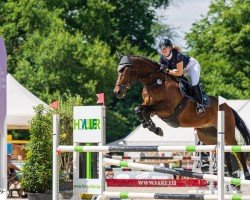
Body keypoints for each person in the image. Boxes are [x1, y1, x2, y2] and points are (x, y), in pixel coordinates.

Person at [158, 38, 205, 115]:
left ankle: (200, 105)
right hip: (179, 69)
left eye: (165, 48)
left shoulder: (177, 56)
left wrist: (167, 71)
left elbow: (179, 73)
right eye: (161, 49)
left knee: (194, 83)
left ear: (170, 48)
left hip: (192, 66)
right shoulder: (162, 58)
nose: (163, 50)